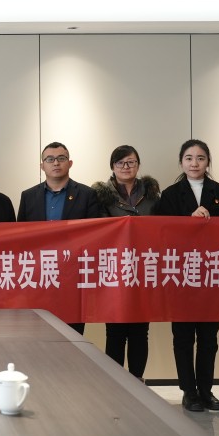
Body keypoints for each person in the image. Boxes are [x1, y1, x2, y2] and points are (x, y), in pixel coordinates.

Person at [153, 139, 219, 412]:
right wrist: (189, 220)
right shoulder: (170, 195)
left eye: (200, 158)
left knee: (209, 338)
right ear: (181, 163)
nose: (194, 163)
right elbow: (163, 233)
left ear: (208, 162)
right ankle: (189, 391)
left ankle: (206, 390)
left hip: (211, 273)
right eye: (189, 158)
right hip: (182, 274)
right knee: (184, 337)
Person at [91, 145, 160, 380]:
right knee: (115, 329)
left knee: (141, 330)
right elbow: (100, 229)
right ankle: (117, 383)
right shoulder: (100, 195)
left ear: (138, 165)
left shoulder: (152, 194)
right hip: (115, 268)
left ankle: (137, 381)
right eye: (120, 163)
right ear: (112, 166)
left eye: (131, 162)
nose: (126, 167)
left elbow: (161, 228)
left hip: (144, 267)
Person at [17, 142, 101, 334]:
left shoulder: (87, 194)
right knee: (38, 333)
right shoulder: (28, 196)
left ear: (70, 163)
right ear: (42, 165)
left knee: (72, 335)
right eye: (50, 159)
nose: (56, 163)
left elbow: (95, 236)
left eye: (61, 158)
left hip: (74, 275)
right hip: (38, 275)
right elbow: (21, 239)